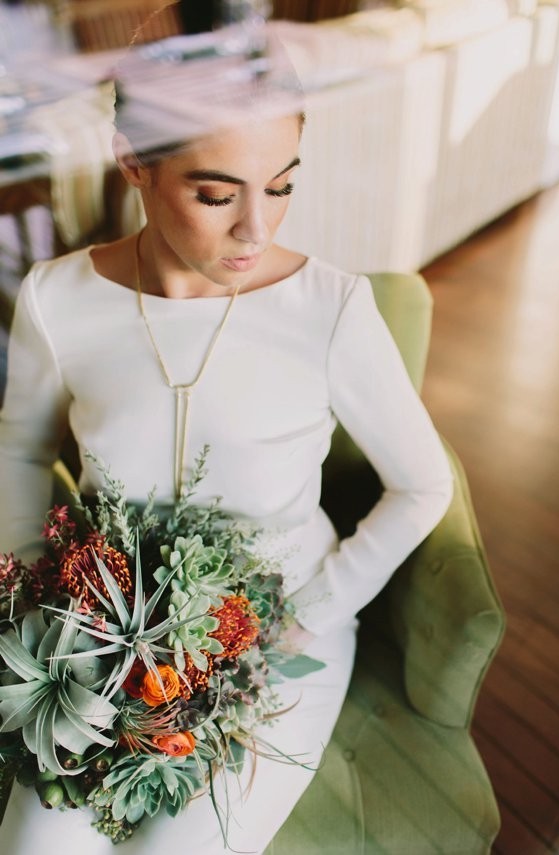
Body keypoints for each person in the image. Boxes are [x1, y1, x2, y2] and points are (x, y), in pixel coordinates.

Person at [0, 20, 453, 855]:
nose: (257, 228)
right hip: (105, 638)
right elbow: (21, 450)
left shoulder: (331, 308)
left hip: (275, 641)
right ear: (133, 161)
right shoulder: (55, 299)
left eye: (281, 186)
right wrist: (41, 596)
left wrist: (306, 616)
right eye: (216, 195)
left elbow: (425, 484)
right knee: (34, 845)